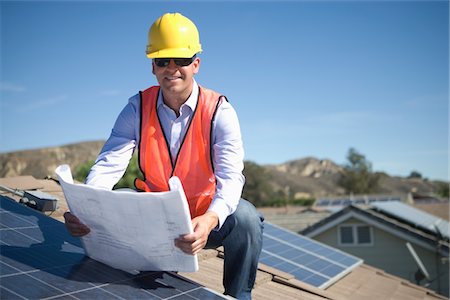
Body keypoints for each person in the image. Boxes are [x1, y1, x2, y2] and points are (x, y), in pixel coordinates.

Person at [63, 12, 264, 299]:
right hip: (155, 217)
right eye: (162, 61)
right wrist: (87, 209)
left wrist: (209, 220)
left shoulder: (220, 111)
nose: (172, 69)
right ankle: (146, 272)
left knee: (245, 218)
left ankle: (239, 295)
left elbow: (231, 178)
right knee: (116, 199)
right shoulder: (136, 108)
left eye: (181, 60)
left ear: (196, 64)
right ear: (152, 67)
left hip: (203, 216)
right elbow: (110, 163)